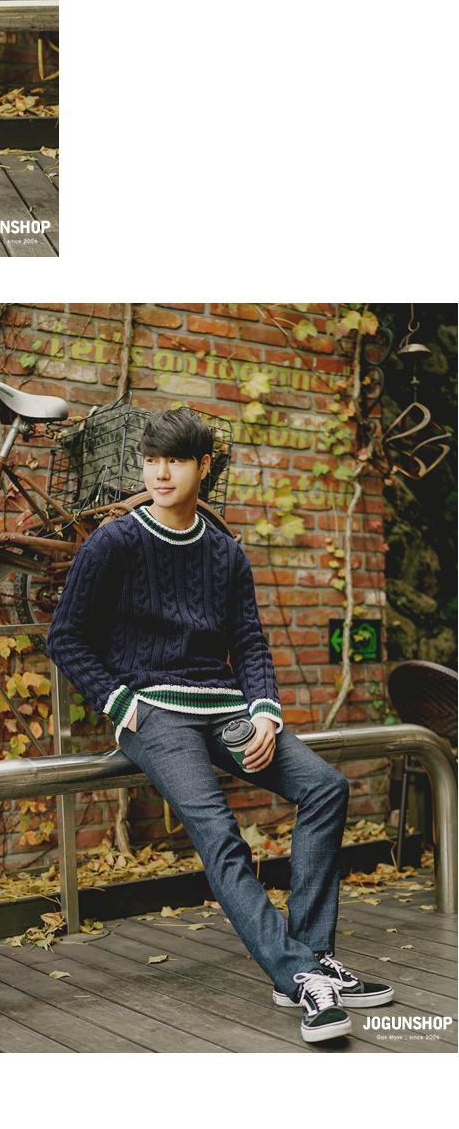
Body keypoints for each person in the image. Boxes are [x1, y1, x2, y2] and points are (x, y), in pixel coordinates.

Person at [48, 408, 396, 1050]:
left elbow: (250, 642)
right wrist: (121, 703)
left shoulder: (224, 552)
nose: (160, 473)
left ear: (203, 467)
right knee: (219, 832)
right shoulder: (114, 543)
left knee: (325, 788)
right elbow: (66, 638)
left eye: (176, 460)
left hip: (225, 706)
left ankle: (313, 956)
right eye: (151, 460)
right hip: (154, 711)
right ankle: (299, 978)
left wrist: (264, 709)